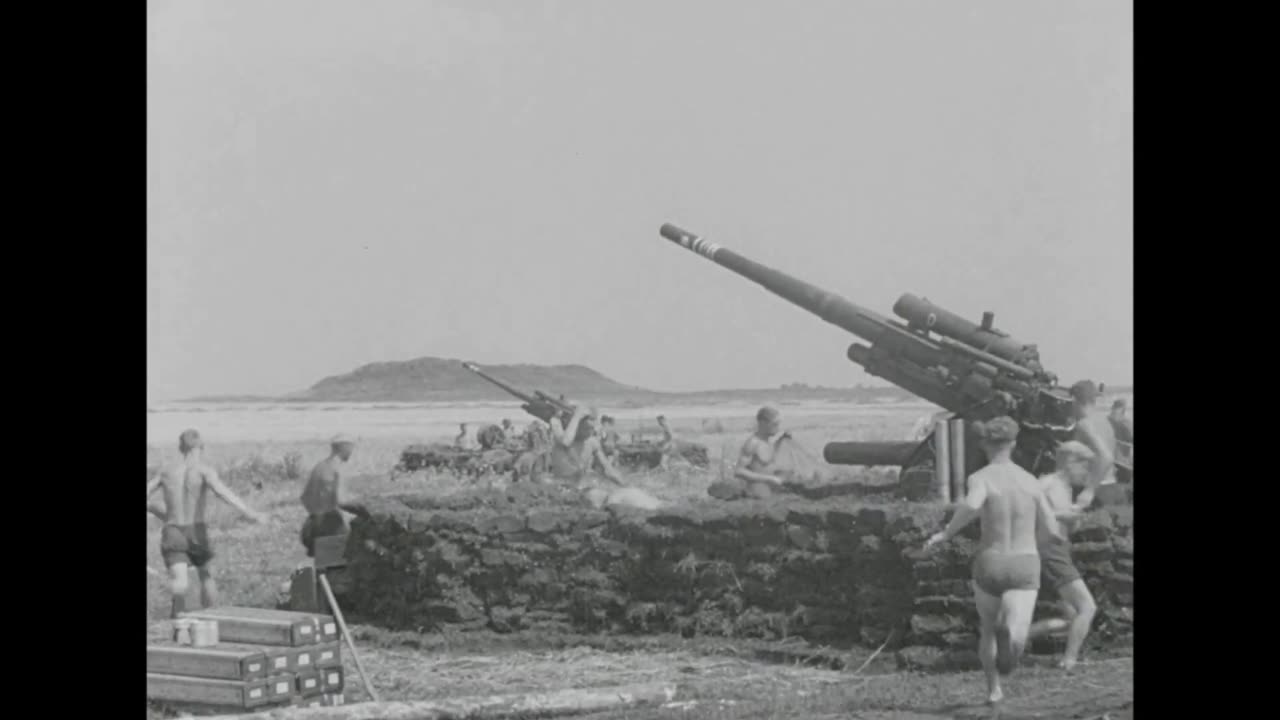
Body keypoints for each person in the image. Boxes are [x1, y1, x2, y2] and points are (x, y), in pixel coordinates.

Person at [924, 416, 1064, 705]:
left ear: (986, 444)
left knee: (987, 629)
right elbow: (1051, 529)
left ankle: (993, 690)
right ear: (1013, 443)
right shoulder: (1031, 482)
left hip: (990, 562)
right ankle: (1012, 636)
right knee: (1017, 631)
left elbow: (972, 505)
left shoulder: (982, 478)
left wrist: (947, 534)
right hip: (1024, 562)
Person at [146, 429, 268, 618]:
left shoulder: (166, 472)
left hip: (173, 530)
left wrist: (157, 509)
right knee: (206, 576)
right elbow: (223, 492)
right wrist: (251, 513)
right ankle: (212, 617)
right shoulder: (204, 470)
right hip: (196, 531)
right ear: (201, 447)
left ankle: (179, 623)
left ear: (180, 448)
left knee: (180, 582)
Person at [1028, 441, 1099, 670]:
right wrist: (1067, 514)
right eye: (1085, 467)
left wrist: (1075, 514)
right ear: (1071, 463)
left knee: (1071, 619)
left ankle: (1012, 637)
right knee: (1087, 608)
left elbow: (1068, 525)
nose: (1087, 474)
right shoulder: (1048, 483)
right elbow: (1030, 510)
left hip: (1058, 550)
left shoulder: (1065, 489)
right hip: (1051, 550)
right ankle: (1069, 661)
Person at [300, 434, 368, 560]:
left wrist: (317, 514)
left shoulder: (319, 467)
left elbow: (304, 498)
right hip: (332, 527)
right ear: (344, 447)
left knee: (322, 570)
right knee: (337, 570)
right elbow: (340, 501)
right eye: (351, 448)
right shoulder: (338, 469)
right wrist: (362, 509)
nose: (351, 452)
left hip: (313, 526)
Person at [1068, 381, 1117, 508]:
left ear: (1075, 400)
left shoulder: (1085, 424)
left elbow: (1106, 457)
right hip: (1108, 487)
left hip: (1094, 491)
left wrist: (1089, 491)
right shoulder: (1105, 421)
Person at [549, 407, 623, 486]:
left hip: (580, 484)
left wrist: (623, 484)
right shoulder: (562, 438)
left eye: (592, 428)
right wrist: (577, 416)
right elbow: (566, 441)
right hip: (561, 484)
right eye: (587, 428)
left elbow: (608, 469)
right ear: (576, 425)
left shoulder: (592, 442)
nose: (590, 432)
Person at [733, 406, 787, 496]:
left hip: (770, 496)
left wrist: (783, 440)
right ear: (763, 423)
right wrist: (769, 479)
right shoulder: (752, 444)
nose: (778, 428)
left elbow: (767, 463)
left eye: (778, 424)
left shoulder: (769, 442)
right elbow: (739, 471)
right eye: (775, 424)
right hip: (755, 497)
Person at [1107, 400, 1133, 484]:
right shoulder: (1108, 420)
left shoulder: (1126, 424)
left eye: (1117, 412)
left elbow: (1130, 440)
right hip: (1112, 459)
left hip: (1123, 461)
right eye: (1113, 410)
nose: (1114, 414)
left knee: (1123, 482)